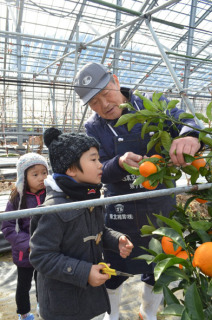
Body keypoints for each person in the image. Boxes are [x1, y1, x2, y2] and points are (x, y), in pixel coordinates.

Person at [74, 62, 202, 320]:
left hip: (159, 205)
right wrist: (117, 164)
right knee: (113, 268)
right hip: (119, 209)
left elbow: (188, 120)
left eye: (105, 93)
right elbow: (96, 172)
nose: (104, 105)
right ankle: (113, 315)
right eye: (94, 102)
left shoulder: (153, 106)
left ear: (116, 80)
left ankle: (147, 313)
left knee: (157, 265)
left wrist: (191, 135)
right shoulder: (93, 128)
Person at [29, 127, 133, 320]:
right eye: (93, 159)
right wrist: (84, 272)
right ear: (70, 168)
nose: (101, 165)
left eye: (99, 159)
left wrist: (115, 240)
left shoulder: (89, 196)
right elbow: (41, 256)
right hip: (63, 305)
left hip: (87, 298)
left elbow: (98, 230)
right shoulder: (54, 209)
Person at [1, 152, 48, 320]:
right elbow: (8, 227)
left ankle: (43, 305)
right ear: (23, 177)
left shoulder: (49, 195)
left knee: (44, 282)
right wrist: (27, 244)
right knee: (24, 285)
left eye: (44, 172)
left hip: (46, 250)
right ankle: (24, 313)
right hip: (25, 253)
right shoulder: (17, 199)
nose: (41, 177)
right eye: (35, 174)